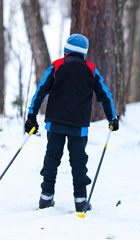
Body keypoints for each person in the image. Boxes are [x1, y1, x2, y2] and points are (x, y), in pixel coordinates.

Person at [24, 33, 119, 212]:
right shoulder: (91, 69)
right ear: (84, 52)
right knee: (78, 161)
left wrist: (31, 116)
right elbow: (105, 95)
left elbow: (41, 91)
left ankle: (46, 197)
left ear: (66, 49)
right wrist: (112, 118)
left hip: (55, 122)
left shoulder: (57, 66)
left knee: (52, 158)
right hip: (79, 125)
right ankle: (81, 201)